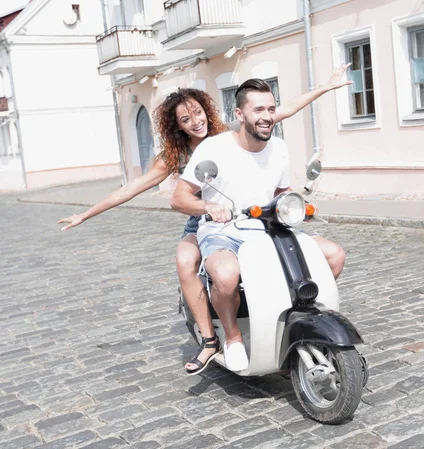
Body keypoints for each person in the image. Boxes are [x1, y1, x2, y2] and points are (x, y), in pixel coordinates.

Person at [56, 65, 352, 374]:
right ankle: (212, 340)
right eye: (186, 119)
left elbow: (281, 111)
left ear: (208, 110)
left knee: (317, 254)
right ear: (177, 126)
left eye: (197, 113)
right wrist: (85, 214)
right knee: (188, 262)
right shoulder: (176, 155)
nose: (195, 122)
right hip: (203, 219)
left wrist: (326, 88)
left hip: (251, 216)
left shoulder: (236, 132)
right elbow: (136, 189)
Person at [171, 78, 346, 372]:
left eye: (271, 109)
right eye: (258, 110)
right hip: (224, 232)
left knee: (333, 254)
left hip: (267, 228)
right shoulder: (214, 148)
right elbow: (179, 197)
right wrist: (209, 206)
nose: (266, 116)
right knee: (226, 275)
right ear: (240, 114)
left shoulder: (277, 147)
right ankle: (234, 337)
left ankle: (293, 317)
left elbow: (279, 193)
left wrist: (295, 205)